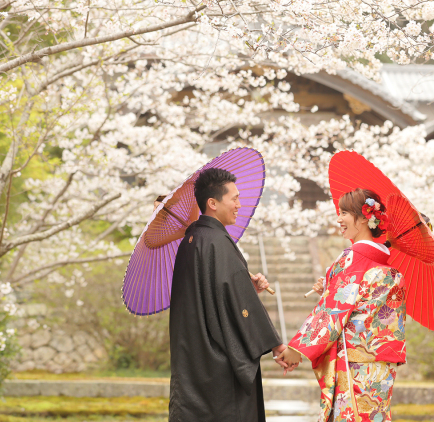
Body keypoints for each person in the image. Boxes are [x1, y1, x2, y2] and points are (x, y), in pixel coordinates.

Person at [168, 167, 289, 422]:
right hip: (221, 369)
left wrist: (246, 286)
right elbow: (239, 303)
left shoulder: (191, 241)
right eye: (234, 198)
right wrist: (276, 345)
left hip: (194, 362)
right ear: (212, 203)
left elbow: (214, 295)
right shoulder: (217, 242)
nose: (239, 205)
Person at [278, 188, 407, 422]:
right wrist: (330, 286)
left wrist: (295, 350)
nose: (339, 219)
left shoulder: (353, 258)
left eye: (345, 213)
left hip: (354, 364)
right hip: (381, 367)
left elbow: (332, 311)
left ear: (365, 218)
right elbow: (359, 303)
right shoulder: (386, 266)